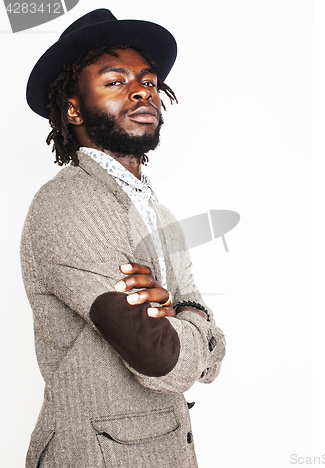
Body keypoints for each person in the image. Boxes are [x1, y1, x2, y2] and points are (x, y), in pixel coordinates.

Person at [21, 9, 226, 468]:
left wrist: (180, 313)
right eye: (115, 81)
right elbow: (160, 357)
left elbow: (207, 352)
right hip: (94, 455)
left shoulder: (159, 212)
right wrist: (188, 320)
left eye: (148, 81)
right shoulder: (69, 205)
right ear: (73, 108)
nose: (141, 91)